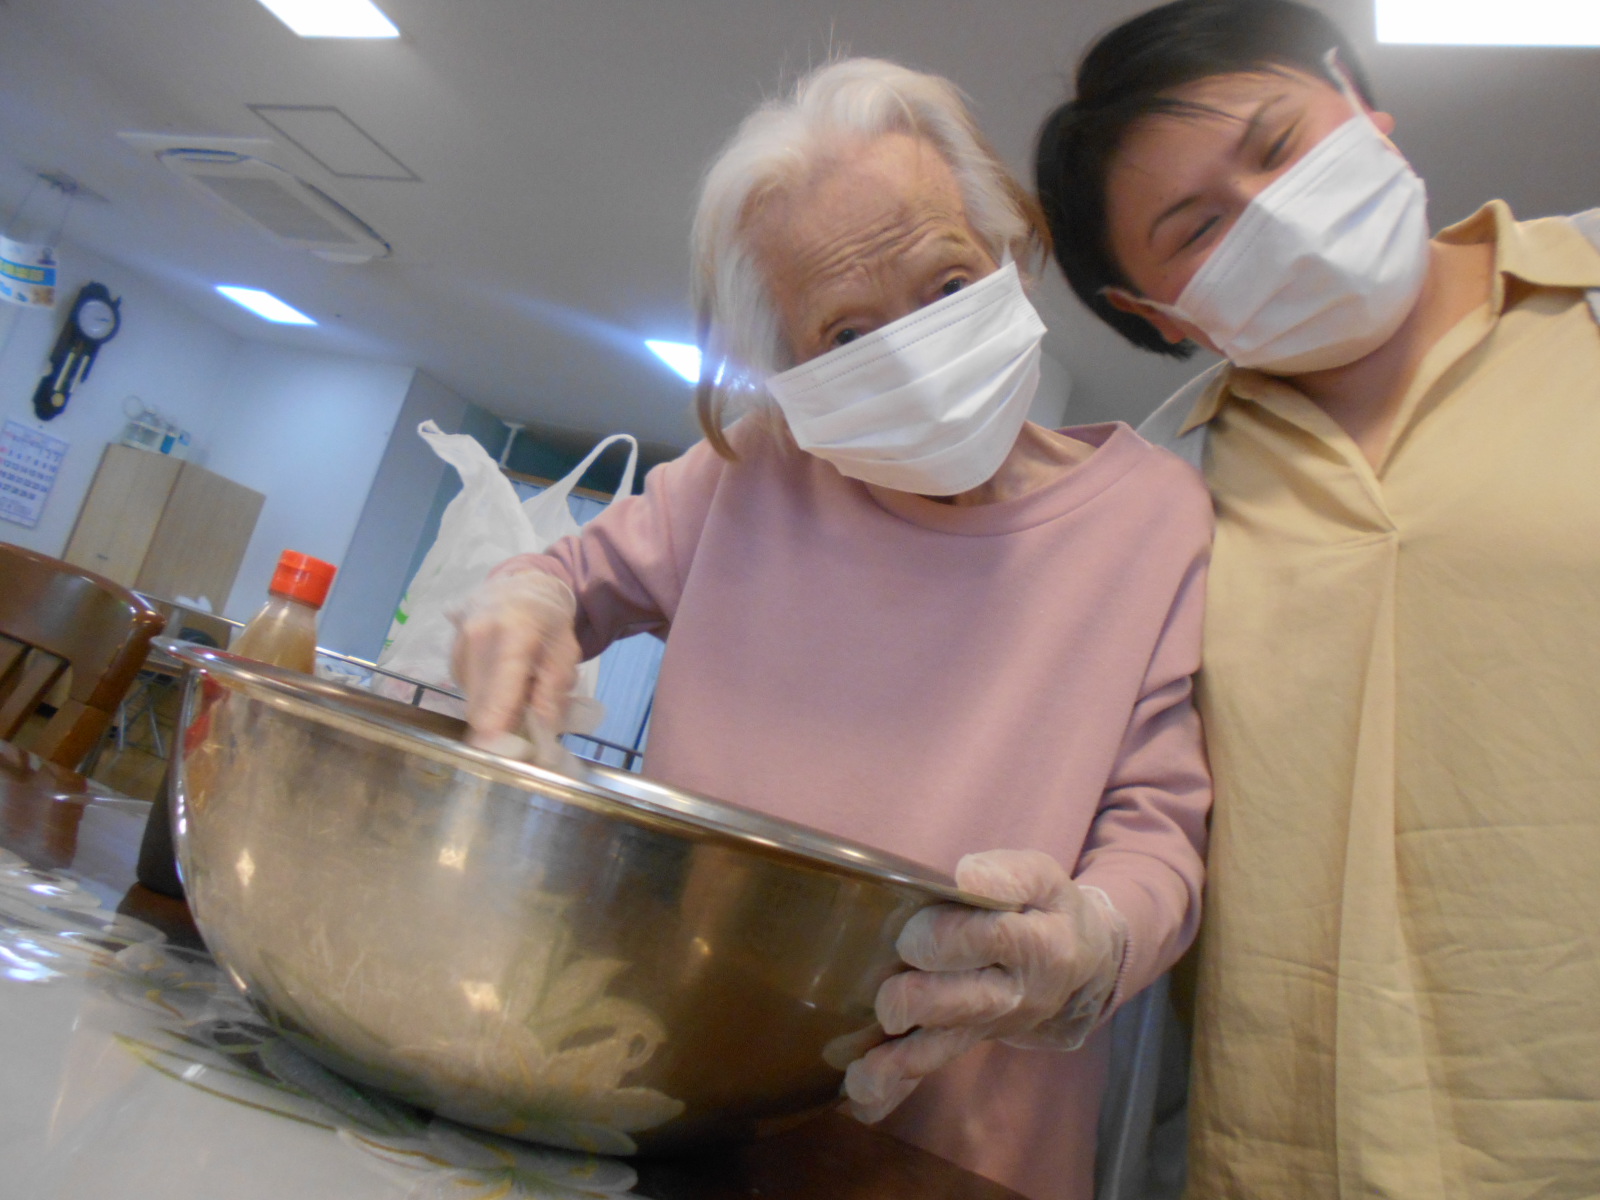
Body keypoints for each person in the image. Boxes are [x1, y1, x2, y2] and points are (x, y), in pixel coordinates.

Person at [451, 57, 1213, 1200]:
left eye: (947, 283)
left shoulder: (1151, 518)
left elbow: (1160, 829)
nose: (911, 352)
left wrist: (1089, 943)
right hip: (664, 1102)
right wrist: (525, 604)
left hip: (951, 1154)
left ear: (1011, 253)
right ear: (790, 374)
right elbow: (563, 578)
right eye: (846, 334)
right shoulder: (750, 472)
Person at [1034, 2, 1600, 1196]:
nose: (1272, 211)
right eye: (1198, 228)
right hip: (1292, 1148)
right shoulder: (1156, 498)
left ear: (1357, 97)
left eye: (1279, 144)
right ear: (1154, 315)